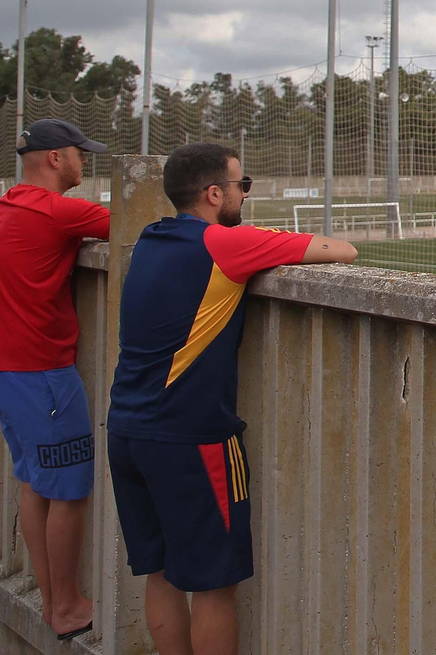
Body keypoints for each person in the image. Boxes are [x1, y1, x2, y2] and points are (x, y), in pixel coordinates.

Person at [106, 143, 358, 655]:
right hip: (191, 440)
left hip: (127, 431)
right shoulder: (226, 244)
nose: (247, 194)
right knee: (214, 586)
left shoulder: (152, 238)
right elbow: (342, 250)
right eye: (243, 186)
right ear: (214, 193)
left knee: (159, 573)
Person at [0, 119, 110, 641]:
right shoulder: (59, 210)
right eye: (81, 153)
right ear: (56, 159)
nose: (85, 162)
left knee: (37, 483)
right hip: (39, 374)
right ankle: (69, 606)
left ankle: (55, 602)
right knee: (69, 490)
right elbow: (144, 225)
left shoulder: (8, 204)